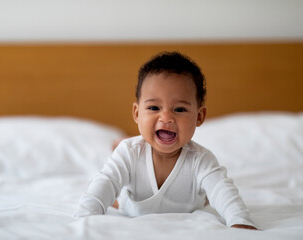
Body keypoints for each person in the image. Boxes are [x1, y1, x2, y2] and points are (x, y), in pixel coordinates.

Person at [74, 51, 257, 230]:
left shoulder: (201, 160)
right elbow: (104, 185)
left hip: (192, 201)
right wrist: (84, 218)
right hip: (129, 205)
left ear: (199, 116)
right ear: (137, 114)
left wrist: (239, 220)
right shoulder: (128, 153)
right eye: (154, 107)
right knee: (116, 186)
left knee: (210, 194)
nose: (166, 118)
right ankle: (121, 141)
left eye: (179, 109)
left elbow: (222, 190)